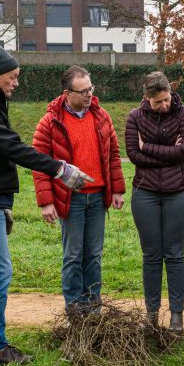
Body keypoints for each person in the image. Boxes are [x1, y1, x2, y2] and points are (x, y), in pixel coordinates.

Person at [0, 44, 91, 365]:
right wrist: (59, 168)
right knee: (0, 269)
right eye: (13, 77)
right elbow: (11, 147)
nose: (16, 82)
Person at [32, 65, 125, 316]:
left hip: (97, 197)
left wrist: (117, 189)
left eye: (90, 89)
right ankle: (74, 310)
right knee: (73, 255)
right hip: (70, 199)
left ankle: (93, 309)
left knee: (93, 255)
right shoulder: (50, 121)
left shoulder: (101, 116)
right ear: (67, 93)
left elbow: (113, 154)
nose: (89, 95)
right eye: (83, 91)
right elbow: (39, 164)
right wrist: (46, 202)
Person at [125, 72, 184, 333]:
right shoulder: (134, 117)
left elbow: (183, 150)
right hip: (146, 193)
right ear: (147, 99)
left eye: (166, 100)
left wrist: (149, 148)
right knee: (151, 255)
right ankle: (151, 315)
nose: (164, 105)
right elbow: (133, 155)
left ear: (170, 93)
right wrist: (168, 156)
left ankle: (177, 316)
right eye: (158, 103)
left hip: (179, 192)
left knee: (175, 254)